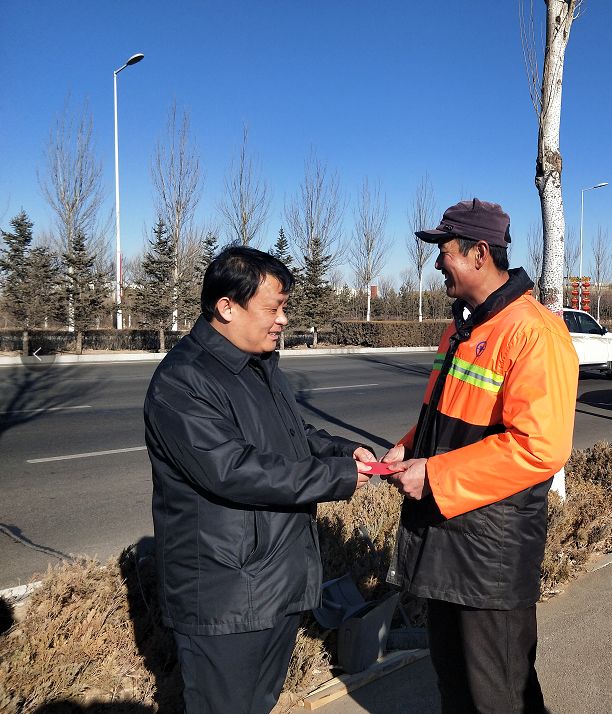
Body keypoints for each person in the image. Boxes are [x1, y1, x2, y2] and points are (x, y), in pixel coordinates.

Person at [144, 246, 373, 714]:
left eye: (284, 307)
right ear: (226, 307)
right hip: (226, 597)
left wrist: (341, 451)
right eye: (273, 308)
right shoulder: (183, 381)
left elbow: (292, 434)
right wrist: (338, 476)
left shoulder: (257, 364)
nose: (283, 320)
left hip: (273, 584)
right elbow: (234, 470)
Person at [382, 199, 577, 713]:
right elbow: (446, 417)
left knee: (500, 697)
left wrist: (436, 474)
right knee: (456, 687)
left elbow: (541, 447)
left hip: (490, 556)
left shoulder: (533, 331)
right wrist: (406, 448)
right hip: (449, 541)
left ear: (479, 253)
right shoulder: (462, 330)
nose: (436, 262)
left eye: (443, 250)